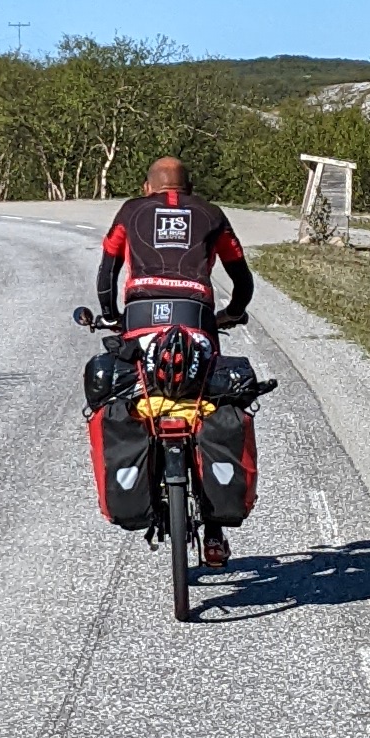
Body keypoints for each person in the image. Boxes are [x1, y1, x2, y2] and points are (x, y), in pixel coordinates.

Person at [96, 159, 254, 563]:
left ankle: (143, 482)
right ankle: (214, 530)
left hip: (139, 319)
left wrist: (110, 313)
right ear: (191, 186)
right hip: (196, 319)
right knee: (208, 398)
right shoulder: (211, 214)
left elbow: (108, 269)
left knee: (141, 395)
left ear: (147, 186)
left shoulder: (131, 210)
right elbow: (241, 276)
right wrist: (234, 311)